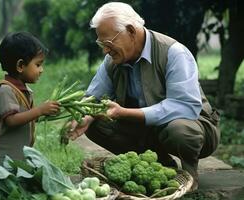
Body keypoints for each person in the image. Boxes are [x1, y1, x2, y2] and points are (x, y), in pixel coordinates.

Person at [68, 2, 220, 191]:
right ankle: (162, 164)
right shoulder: (113, 60)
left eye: (108, 43)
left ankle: (190, 173)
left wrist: (124, 113)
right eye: (101, 44)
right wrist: (85, 115)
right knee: (94, 124)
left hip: (193, 127)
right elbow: (93, 97)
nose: (105, 50)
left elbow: (184, 107)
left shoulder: (173, 52)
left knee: (179, 129)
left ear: (131, 31)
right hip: (146, 130)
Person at [0, 31, 60, 165]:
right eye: (38, 65)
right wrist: (39, 110)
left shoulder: (24, 90)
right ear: (20, 66)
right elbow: (12, 120)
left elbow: (27, 116)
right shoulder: (5, 90)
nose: (41, 70)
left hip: (13, 163)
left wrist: (45, 111)